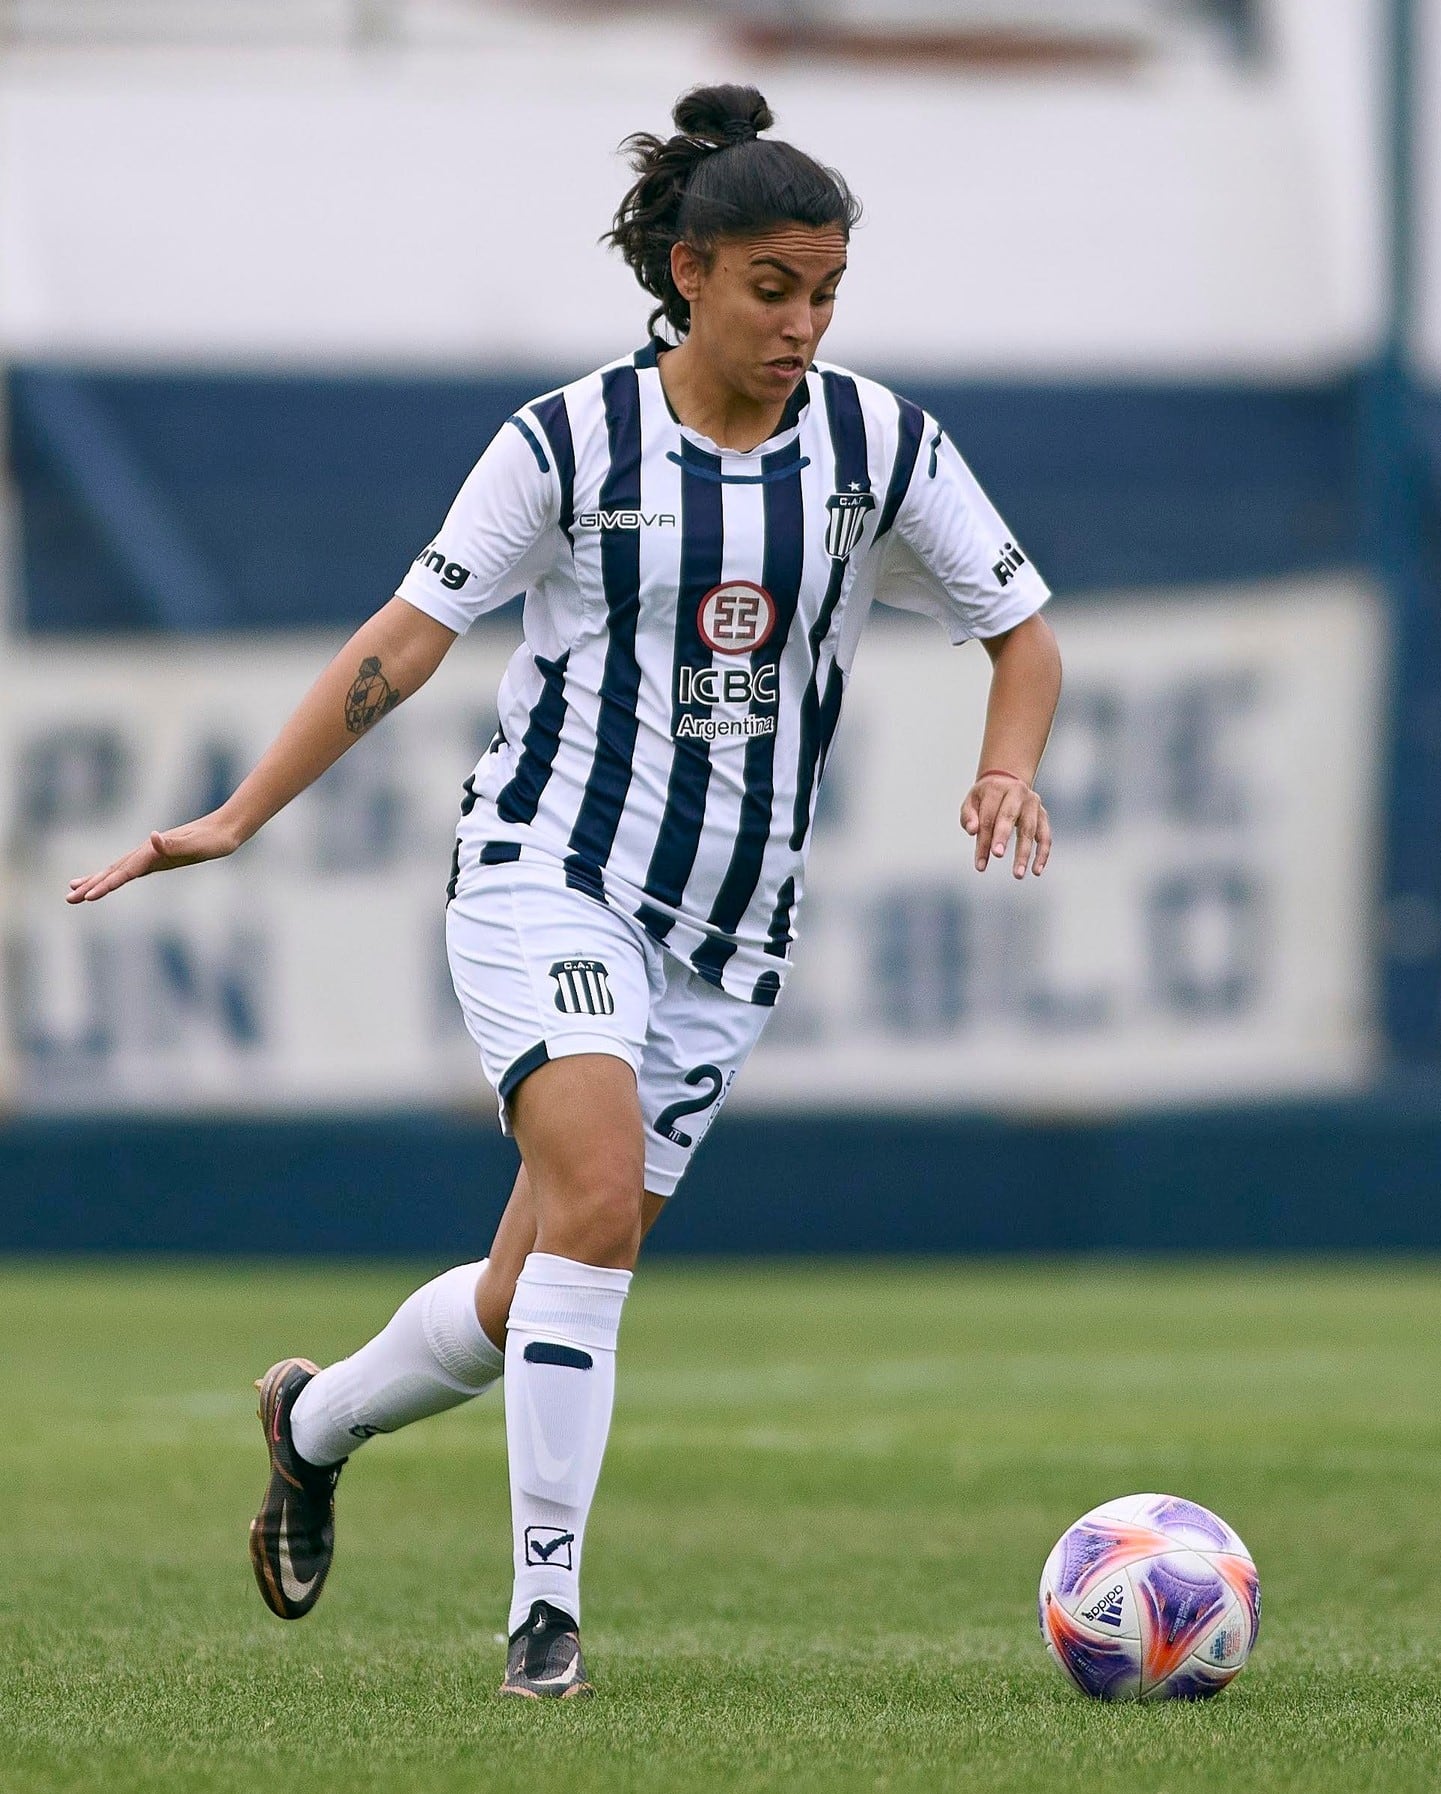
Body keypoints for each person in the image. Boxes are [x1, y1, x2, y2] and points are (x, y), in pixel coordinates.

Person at [66, 83, 1061, 1700]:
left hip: (733, 935)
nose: (802, 323)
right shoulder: (566, 441)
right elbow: (402, 641)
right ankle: (545, 1623)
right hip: (553, 872)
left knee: (540, 1281)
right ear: (689, 271)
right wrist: (239, 815)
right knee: (594, 1201)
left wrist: (1009, 761)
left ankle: (310, 1426)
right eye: (772, 291)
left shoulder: (883, 443)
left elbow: (1022, 631)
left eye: (826, 294)